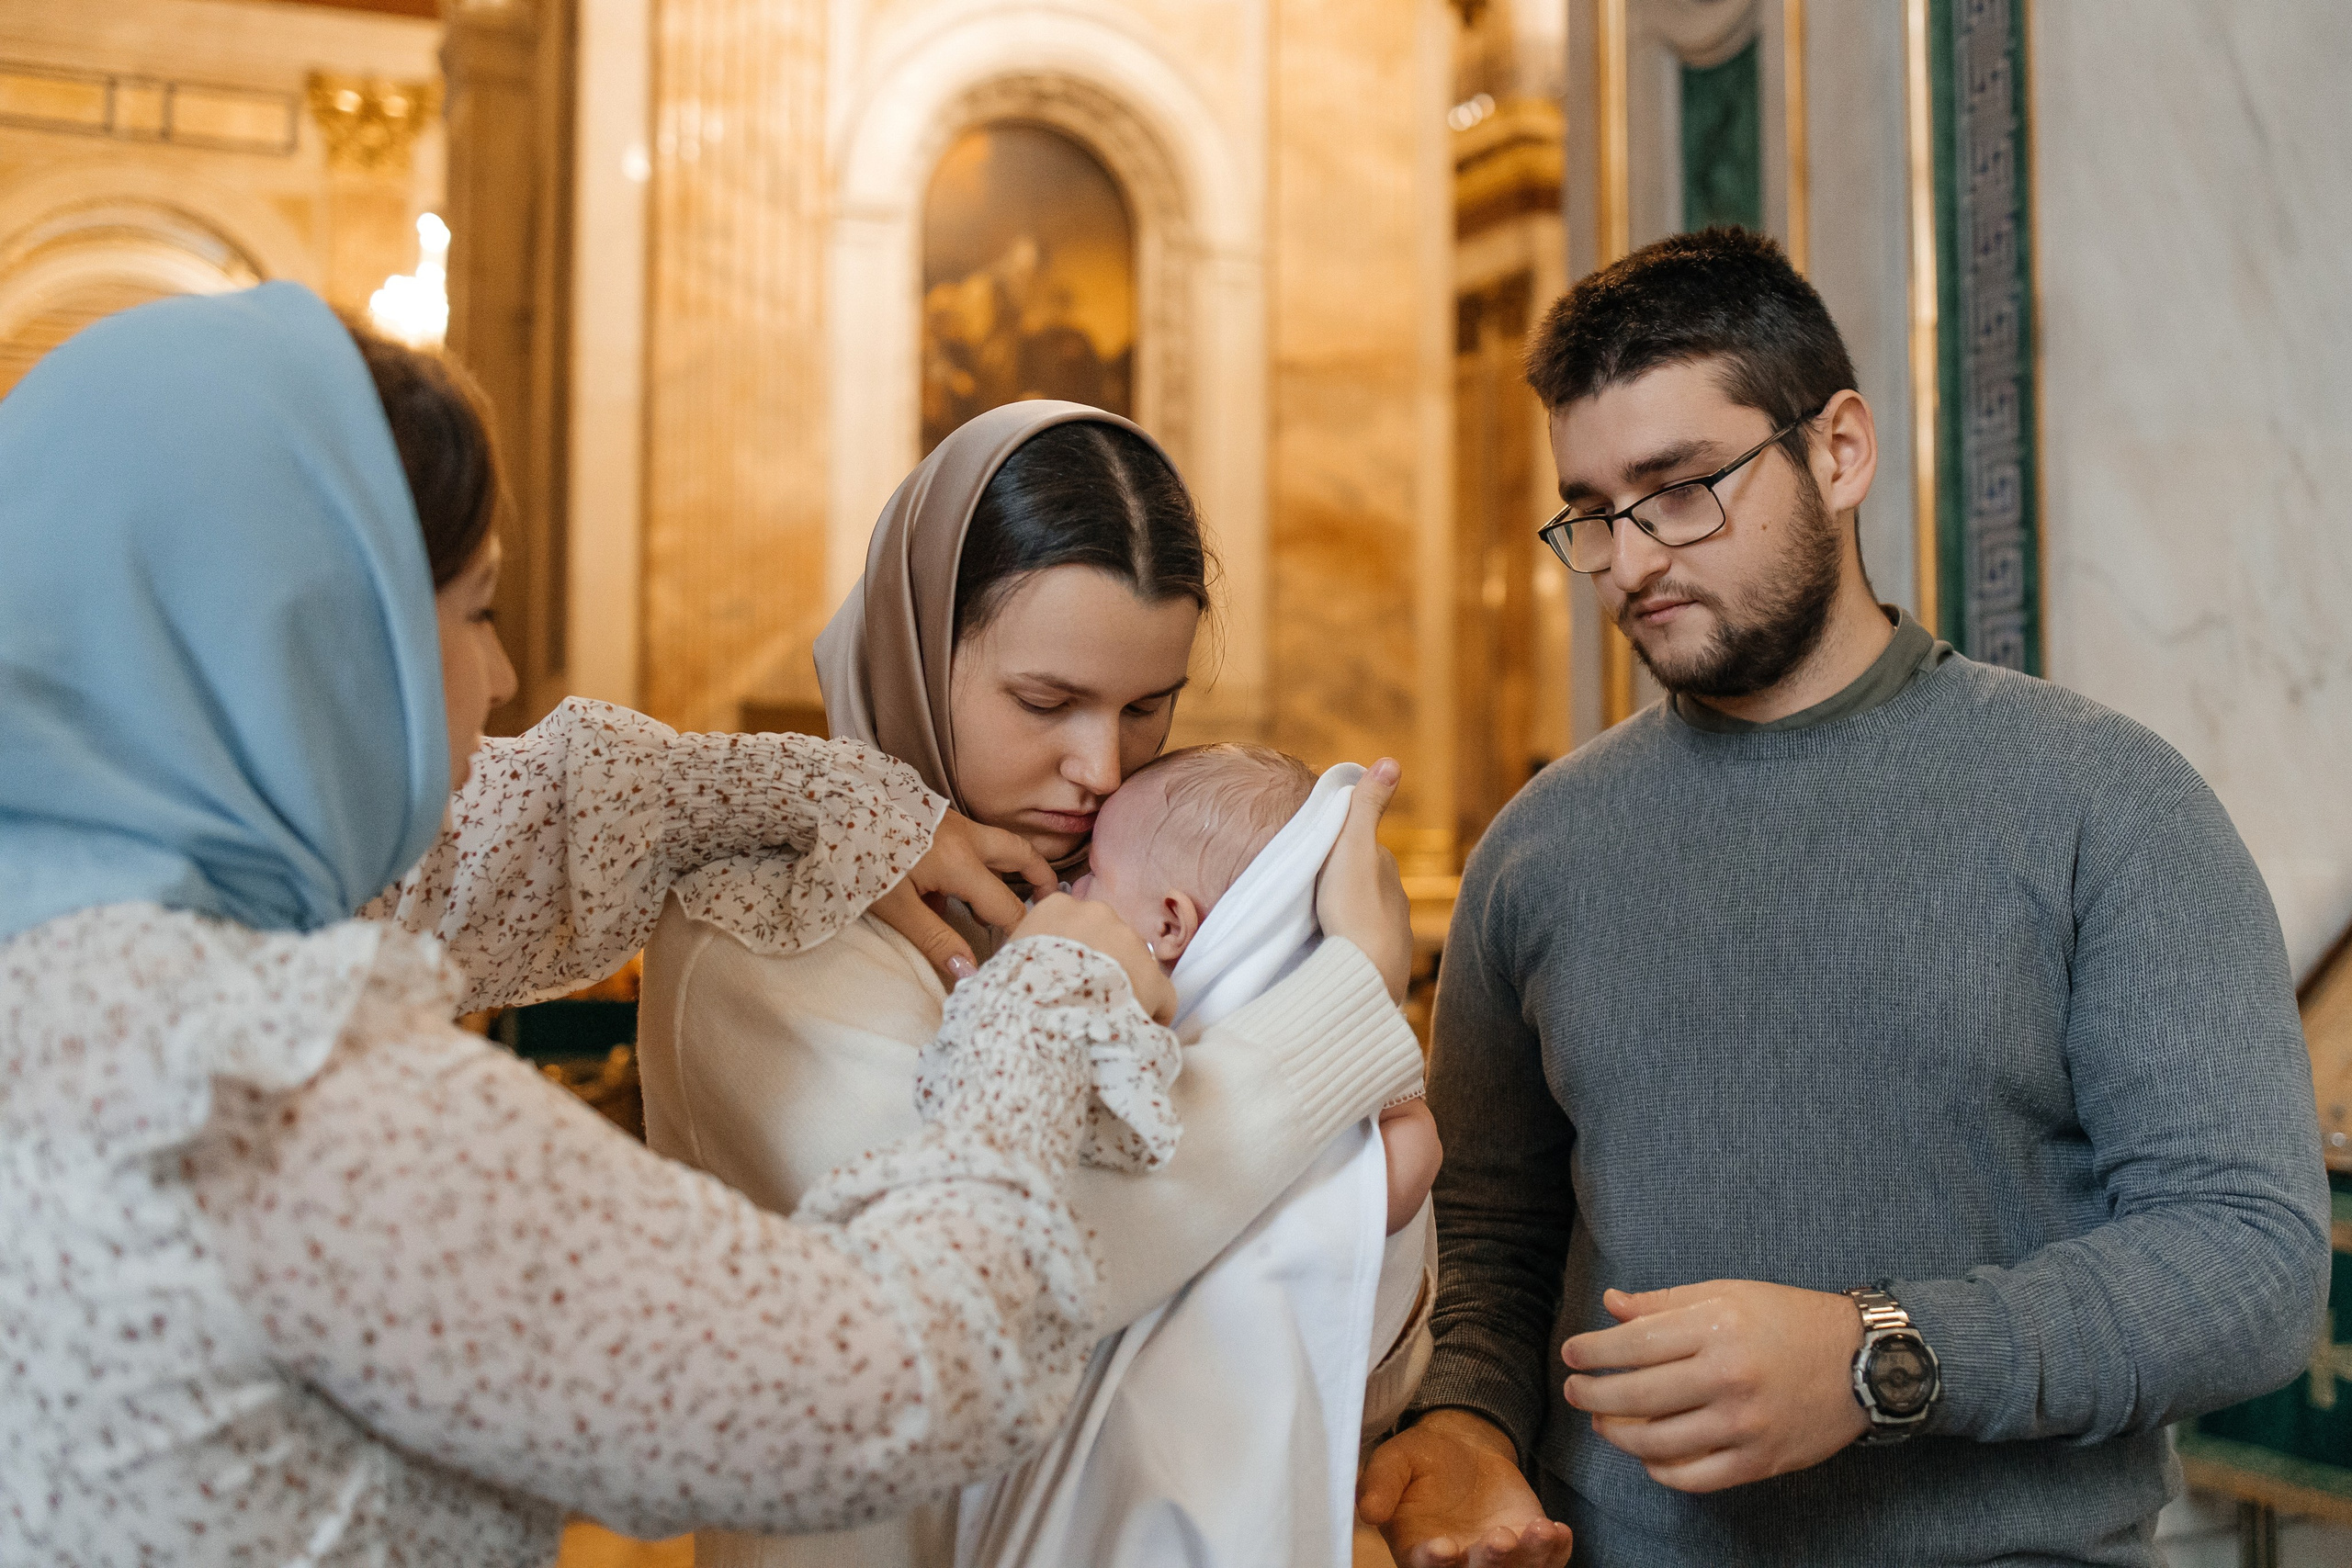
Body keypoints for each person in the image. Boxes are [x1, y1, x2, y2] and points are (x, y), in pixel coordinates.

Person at [0, 282, 1190, 1567]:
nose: (502, 679)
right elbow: (889, 1379)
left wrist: (822, 792)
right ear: (318, 645)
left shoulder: (67, 947)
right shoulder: (284, 1102)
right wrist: (1051, 1000)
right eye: (478, 613)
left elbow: (512, 835)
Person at [1360, 227, 2328, 1567]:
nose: (1632, 561)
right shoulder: (1538, 851)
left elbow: (2253, 1262)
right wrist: (1467, 1416)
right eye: (1593, 511)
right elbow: (1489, 1233)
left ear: (1840, 451)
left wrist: (1879, 1356)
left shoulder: (2110, 801)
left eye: (1684, 485)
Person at [637, 401, 1430, 1568]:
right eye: (1046, 704)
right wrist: (1348, 998)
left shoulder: (1148, 899)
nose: (1100, 769)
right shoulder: (761, 928)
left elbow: (1346, 1341)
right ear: (915, 644)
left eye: (1147, 708)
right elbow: (1024, 1272)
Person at [1076, 741, 1442, 1235]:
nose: (1071, 888)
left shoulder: (1293, 1013)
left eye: (1093, 872)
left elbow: (1410, 1143)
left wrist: (1341, 1214)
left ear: (1170, 925)